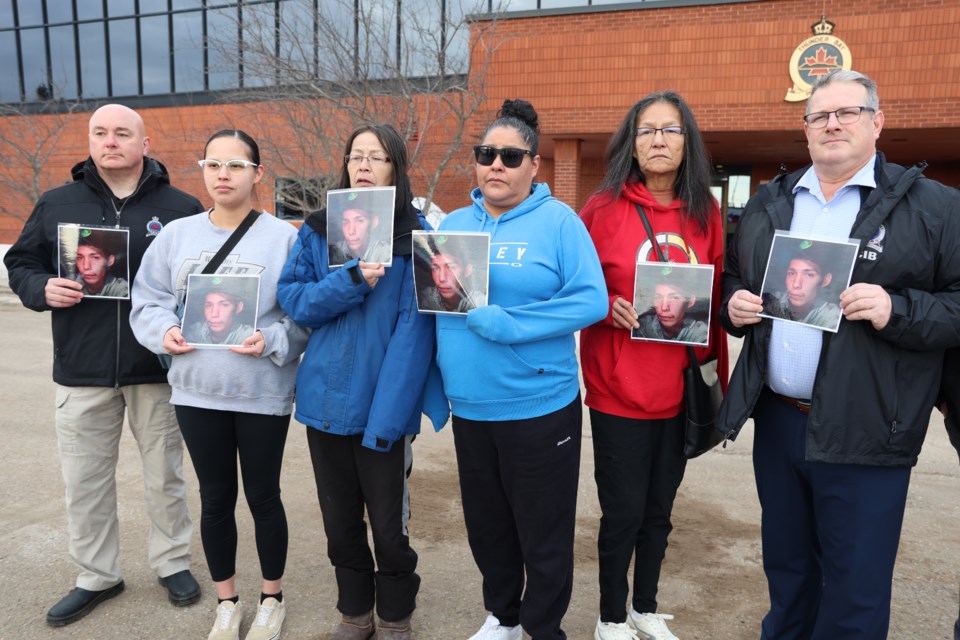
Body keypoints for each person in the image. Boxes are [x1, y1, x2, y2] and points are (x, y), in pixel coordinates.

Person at [719, 70, 960, 639]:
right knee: (788, 575)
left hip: (868, 427)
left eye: (847, 112)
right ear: (805, 130)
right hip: (778, 423)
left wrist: (896, 309)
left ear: (877, 122)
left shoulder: (935, 208)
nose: (832, 124)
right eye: (819, 115)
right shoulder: (769, 203)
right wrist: (734, 305)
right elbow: (734, 276)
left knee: (854, 591)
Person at [3, 104, 203, 627]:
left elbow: (204, 278)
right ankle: (96, 575)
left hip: (155, 369)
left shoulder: (181, 207)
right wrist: (39, 287)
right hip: (81, 369)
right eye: (99, 133)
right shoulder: (56, 203)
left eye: (121, 133)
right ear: (89, 140)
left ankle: (172, 562)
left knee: (166, 476)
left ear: (145, 142)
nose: (109, 141)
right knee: (85, 480)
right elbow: (20, 262)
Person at [434, 99, 607, 640]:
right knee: (488, 528)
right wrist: (435, 380)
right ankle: (504, 616)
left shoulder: (560, 222)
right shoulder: (455, 224)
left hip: (539, 406)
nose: (497, 166)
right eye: (487, 154)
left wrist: (514, 324)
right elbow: (437, 307)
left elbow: (591, 301)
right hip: (471, 407)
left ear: (535, 164)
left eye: (511, 156)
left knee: (544, 530)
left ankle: (542, 626)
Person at [131, 129, 308, 640]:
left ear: (258, 172)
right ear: (203, 171)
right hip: (196, 391)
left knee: (264, 497)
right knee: (214, 499)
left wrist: (272, 338)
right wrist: (162, 332)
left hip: (261, 392)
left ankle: (271, 598)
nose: (223, 175)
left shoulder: (285, 238)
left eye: (235, 165)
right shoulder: (177, 236)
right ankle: (227, 602)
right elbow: (148, 299)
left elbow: (303, 316)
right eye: (213, 165)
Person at [277, 123, 443, 640]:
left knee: (389, 528)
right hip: (324, 400)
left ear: (396, 168)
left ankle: (395, 614)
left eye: (377, 157)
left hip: (382, 409)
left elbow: (416, 336)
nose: (364, 165)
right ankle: (355, 613)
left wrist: (389, 420)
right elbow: (296, 301)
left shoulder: (415, 237)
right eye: (356, 156)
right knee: (340, 523)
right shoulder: (320, 228)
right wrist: (351, 279)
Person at [579, 90, 728, 640]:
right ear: (631, 144)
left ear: (687, 142)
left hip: (680, 387)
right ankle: (611, 617)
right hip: (619, 387)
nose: (658, 140)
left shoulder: (705, 212)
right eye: (647, 131)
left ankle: (644, 606)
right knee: (621, 512)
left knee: (660, 511)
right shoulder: (600, 208)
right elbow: (575, 289)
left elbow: (715, 293)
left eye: (670, 129)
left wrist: (719, 381)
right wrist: (603, 308)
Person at [761, 239, 842, 328]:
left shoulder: (832, 317)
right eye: (791, 273)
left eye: (809, 275)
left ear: (826, 280)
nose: (796, 284)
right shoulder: (771, 300)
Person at [415, 233, 486, 313]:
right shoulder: (426, 298)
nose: (442, 278)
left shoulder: (479, 304)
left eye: (451, 267)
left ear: (467, 270)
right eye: (436, 268)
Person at [634, 272, 710, 344]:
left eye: (674, 297)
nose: (664, 307)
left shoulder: (701, 336)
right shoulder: (642, 326)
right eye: (658, 297)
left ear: (691, 301)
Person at [187, 278, 256, 345]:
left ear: (239, 307)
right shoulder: (192, 332)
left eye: (224, 305)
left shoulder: (249, 337)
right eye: (209, 305)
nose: (214, 314)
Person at [72, 229, 129, 297]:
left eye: (95, 257)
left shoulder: (122, 290)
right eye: (80, 258)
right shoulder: (70, 282)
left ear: (110, 261)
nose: (86, 266)